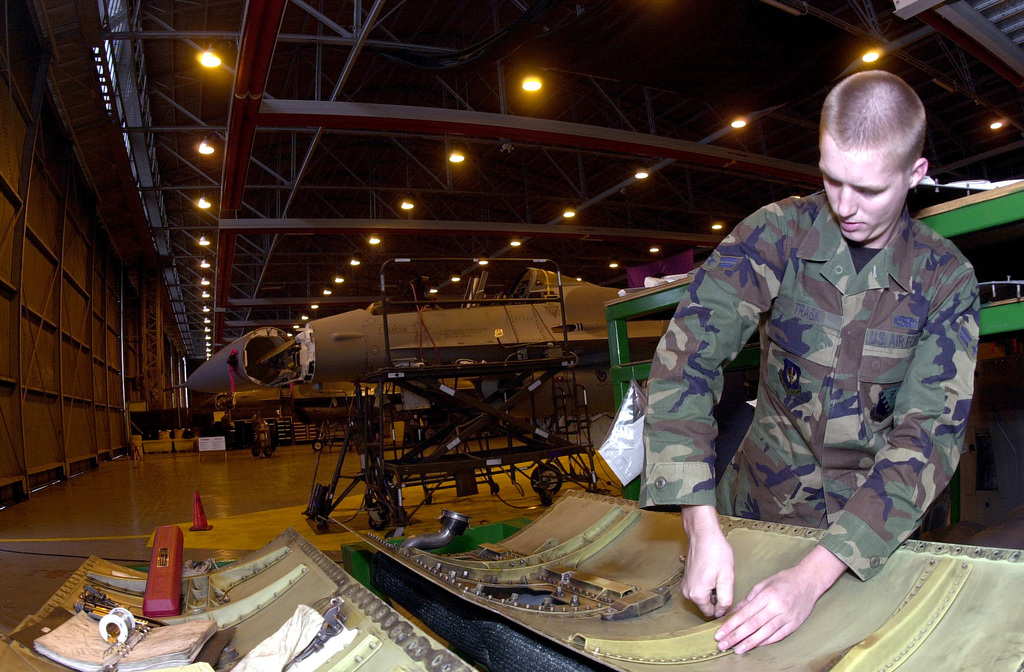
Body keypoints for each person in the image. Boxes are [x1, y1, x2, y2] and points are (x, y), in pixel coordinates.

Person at [642, 70, 979, 654]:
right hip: (757, 515)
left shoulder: (946, 281)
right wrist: (699, 524)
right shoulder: (776, 234)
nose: (844, 206)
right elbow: (686, 362)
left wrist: (809, 578)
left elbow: (926, 442)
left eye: (868, 190)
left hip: (871, 538)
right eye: (831, 179)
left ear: (916, 174)